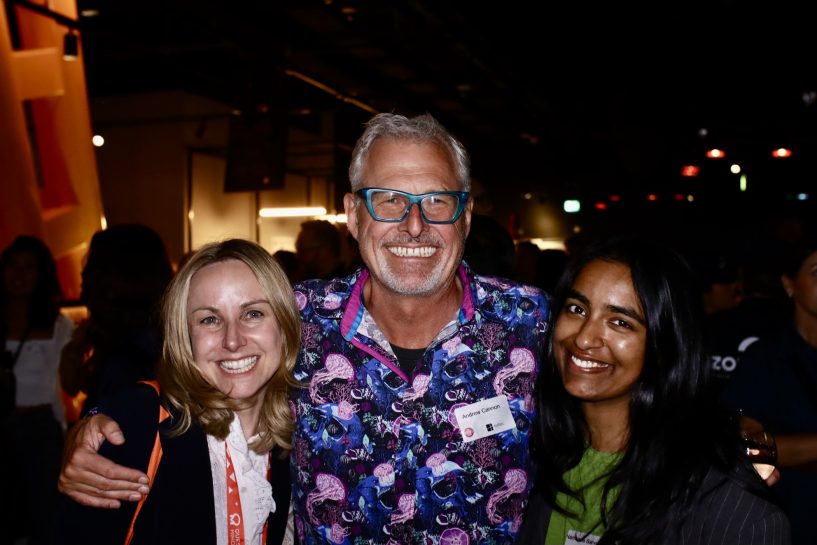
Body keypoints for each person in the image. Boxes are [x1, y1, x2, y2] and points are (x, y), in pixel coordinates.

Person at [57, 112, 550, 545]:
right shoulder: (297, 315)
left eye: (437, 201)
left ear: (465, 216)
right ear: (353, 215)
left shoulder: (533, 323)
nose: (415, 225)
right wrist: (100, 423)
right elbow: (188, 356)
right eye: (388, 200)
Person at [517, 234, 790, 545]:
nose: (583, 338)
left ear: (664, 347)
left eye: (620, 322)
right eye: (577, 309)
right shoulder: (532, 452)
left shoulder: (727, 505)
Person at [56, 238, 299, 545]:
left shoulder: (302, 434)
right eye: (210, 319)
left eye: (253, 314)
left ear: (284, 325)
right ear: (185, 337)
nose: (233, 340)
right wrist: (89, 427)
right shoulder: (140, 424)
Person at [722, 234, 817, 545]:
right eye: (816, 272)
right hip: (792, 523)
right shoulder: (767, 359)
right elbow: (747, 444)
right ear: (789, 284)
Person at [0, 235, 75, 545]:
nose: (18, 275)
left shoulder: (59, 325)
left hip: (40, 428)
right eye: (12, 266)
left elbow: (69, 384)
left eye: (28, 268)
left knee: (43, 517)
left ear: (41, 274)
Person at [58, 224, 174, 417]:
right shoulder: (158, 337)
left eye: (92, 266)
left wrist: (89, 416)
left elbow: (105, 413)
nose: (83, 275)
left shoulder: (126, 356)